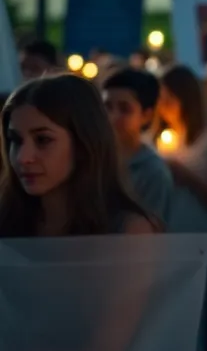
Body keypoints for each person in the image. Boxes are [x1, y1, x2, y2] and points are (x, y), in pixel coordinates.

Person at [0, 74, 158, 236]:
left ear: (83, 143)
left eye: (43, 140)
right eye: (16, 140)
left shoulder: (127, 230)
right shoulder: (7, 220)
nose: (22, 158)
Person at [156, 63, 207, 351]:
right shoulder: (159, 139)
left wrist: (183, 173)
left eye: (169, 99)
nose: (163, 107)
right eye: (160, 99)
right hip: (173, 246)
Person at [101, 67, 173, 223]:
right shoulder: (94, 159)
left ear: (146, 115)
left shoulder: (153, 172)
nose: (112, 117)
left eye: (124, 109)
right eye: (107, 107)